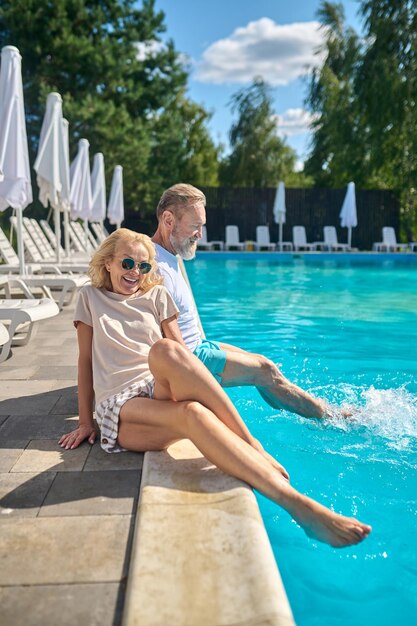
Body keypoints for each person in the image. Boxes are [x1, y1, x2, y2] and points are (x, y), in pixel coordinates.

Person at [59, 228, 371, 548]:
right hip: (121, 405)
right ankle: (300, 507)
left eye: (144, 266)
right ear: (108, 263)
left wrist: (194, 379)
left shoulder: (156, 295)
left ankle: (251, 443)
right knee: (192, 412)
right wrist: (85, 421)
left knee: (166, 351)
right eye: (127, 263)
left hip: (156, 383)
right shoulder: (90, 298)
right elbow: (85, 362)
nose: (135, 272)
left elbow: (182, 355)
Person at [152, 183, 337, 419]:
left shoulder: (167, 256)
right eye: (195, 226)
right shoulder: (156, 266)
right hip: (193, 357)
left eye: (202, 226)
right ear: (168, 220)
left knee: (264, 363)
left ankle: (308, 410)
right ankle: (329, 417)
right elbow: (168, 340)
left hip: (199, 343)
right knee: (265, 372)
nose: (200, 234)